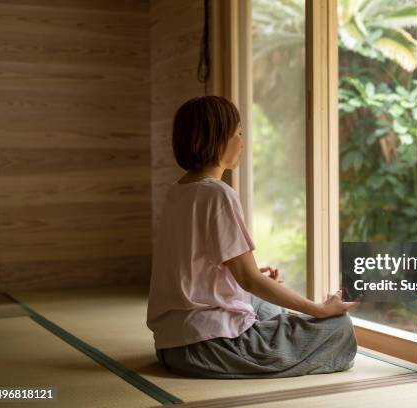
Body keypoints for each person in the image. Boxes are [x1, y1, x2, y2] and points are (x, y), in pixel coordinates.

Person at [146, 95, 358, 379]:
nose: (242, 142)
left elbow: (191, 267)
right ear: (217, 140)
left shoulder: (178, 190)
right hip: (209, 348)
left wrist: (239, 278)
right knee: (339, 327)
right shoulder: (218, 194)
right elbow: (249, 279)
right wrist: (319, 309)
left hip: (171, 345)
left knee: (259, 303)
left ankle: (282, 333)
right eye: (238, 133)